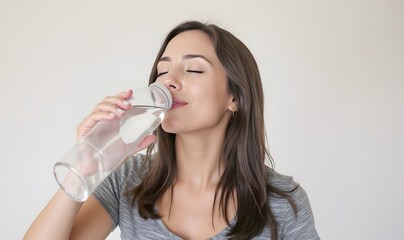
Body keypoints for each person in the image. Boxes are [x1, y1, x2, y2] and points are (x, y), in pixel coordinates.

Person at [25, 20, 320, 240]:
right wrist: (84, 167)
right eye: (163, 71)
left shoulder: (283, 201)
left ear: (235, 98)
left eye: (193, 69)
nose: (168, 81)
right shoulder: (129, 180)